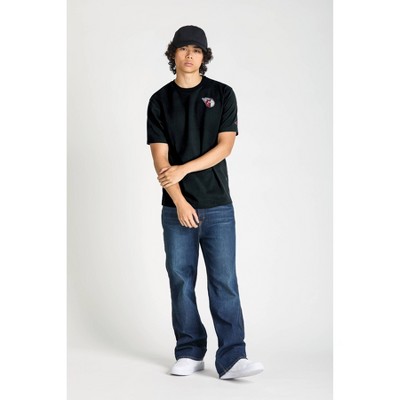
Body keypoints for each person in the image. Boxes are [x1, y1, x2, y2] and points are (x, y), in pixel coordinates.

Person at [146, 25, 264, 380]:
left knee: (224, 281)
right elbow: (160, 160)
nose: (189, 55)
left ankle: (232, 358)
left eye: (196, 50)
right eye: (183, 49)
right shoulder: (159, 100)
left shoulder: (222, 94)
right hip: (176, 209)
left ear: (204, 56)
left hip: (217, 206)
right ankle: (189, 351)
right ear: (173, 54)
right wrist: (180, 202)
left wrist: (184, 169)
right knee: (181, 280)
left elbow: (225, 147)